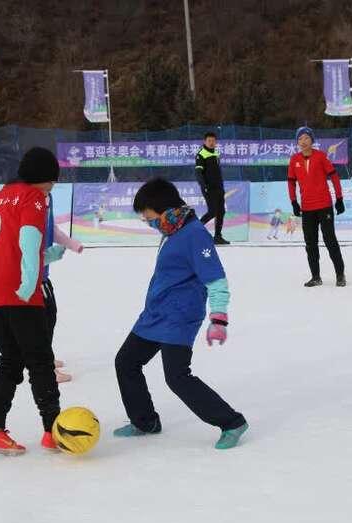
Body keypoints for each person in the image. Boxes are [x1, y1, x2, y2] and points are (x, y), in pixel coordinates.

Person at [112, 178, 248, 450]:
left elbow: (216, 280)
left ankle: (231, 422)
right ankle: (145, 421)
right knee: (126, 361)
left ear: (163, 209)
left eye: (149, 218)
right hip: (155, 313)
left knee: (176, 376)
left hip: (179, 316)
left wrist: (218, 319)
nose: (149, 223)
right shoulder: (172, 230)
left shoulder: (194, 234)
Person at [0, 147, 63, 455]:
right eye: (52, 181)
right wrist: (29, 283)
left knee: (11, 359)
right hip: (18, 293)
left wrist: (46, 257)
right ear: (42, 178)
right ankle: (54, 431)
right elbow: (27, 238)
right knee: (40, 360)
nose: (52, 188)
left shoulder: (1, 195)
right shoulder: (33, 197)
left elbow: (8, 244)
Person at [287, 126, 346, 287]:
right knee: (310, 243)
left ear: (312, 140)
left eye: (306, 138)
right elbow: (291, 183)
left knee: (330, 240)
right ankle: (316, 276)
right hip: (307, 208)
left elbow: (334, 177)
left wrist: (339, 198)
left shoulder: (321, 156)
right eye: (300, 139)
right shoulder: (294, 160)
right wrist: (294, 201)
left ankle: (340, 275)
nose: (303, 141)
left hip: (324, 206)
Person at [41, 192, 85, 384]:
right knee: (42, 323)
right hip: (34, 278)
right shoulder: (31, 202)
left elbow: (52, 230)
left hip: (43, 276)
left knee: (50, 317)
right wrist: (50, 255)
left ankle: (45, 358)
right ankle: (44, 368)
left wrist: (71, 244)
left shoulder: (48, 197)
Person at [195, 132, 229, 245]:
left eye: (213, 141)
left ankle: (218, 236)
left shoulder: (216, 153)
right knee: (212, 211)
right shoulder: (201, 154)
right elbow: (198, 172)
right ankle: (194, 230)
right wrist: (203, 186)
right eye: (209, 140)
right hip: (209, 188)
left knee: (221, 212)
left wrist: (221, 185)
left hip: (219, 187)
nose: (211, 142)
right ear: (205, 141)